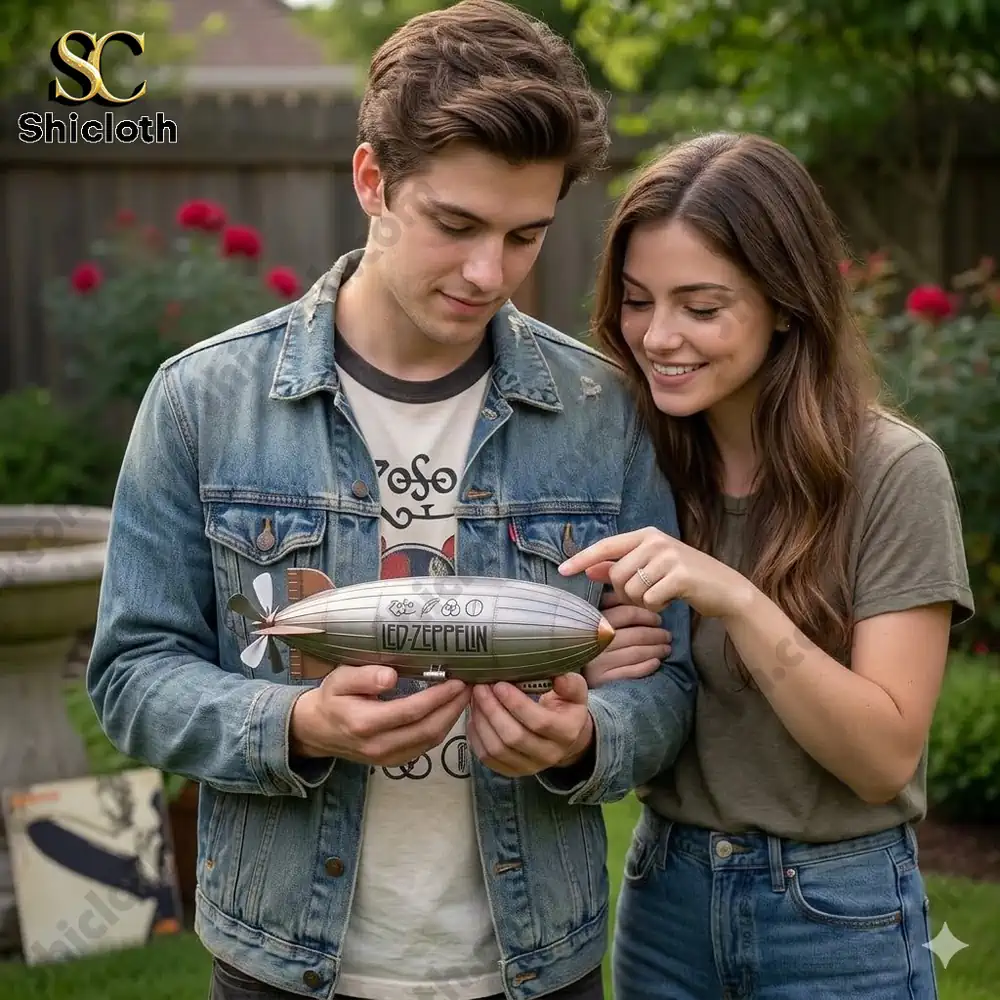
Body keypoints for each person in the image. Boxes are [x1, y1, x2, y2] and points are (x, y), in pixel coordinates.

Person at [85, 3, 697, 999]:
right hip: (283, 964)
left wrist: (589, 737)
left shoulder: (602, 411)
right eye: (455, 225)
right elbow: (131, 674)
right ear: (372, 179)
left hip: (538, 965)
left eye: (523, 234)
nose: (487, 273)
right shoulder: (203, 400)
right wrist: (296, 726)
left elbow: (668, 683)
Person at [557, 131, 975, 1000]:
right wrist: (587, 664)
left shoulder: (891, 473)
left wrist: (739, 601)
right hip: (663, 898)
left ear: (786, 303)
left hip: (836, 914)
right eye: (637, 300)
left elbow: (882, 758)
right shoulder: (635, 464)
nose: (658, 337)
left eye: (701, 308)